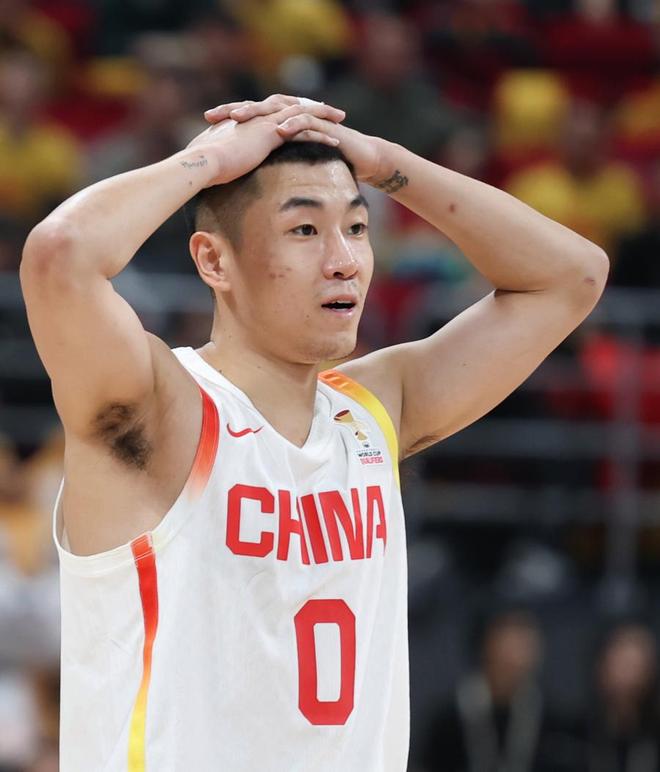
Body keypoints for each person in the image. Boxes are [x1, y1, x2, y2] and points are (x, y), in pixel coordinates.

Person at [20, 93, 608, 771]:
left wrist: (385, 162)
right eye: (305, 230)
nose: (344, 260)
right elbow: (61, 255)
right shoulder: (163, 408)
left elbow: (572, 276)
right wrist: (210, 160)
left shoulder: (375, 410)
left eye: (356, 228)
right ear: (214, 262)